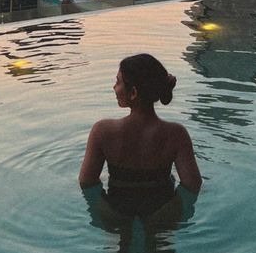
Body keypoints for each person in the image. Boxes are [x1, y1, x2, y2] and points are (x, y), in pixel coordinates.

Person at [79, 53, 202, 218]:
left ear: (133, 93)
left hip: (116, 210)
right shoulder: (176, 134)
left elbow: (87, 182)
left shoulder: (102, 131)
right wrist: (158, 220)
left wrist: (114, 219)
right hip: (162, 212)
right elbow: (192, 184)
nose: (114, 88)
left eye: (118, 82)